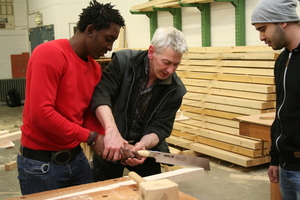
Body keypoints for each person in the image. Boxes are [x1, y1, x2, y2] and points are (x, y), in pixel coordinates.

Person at [17, 0, 125, 195]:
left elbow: (87, 115)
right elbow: (41, 114)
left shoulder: (94, 69)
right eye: (108, 39)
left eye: (113, 41)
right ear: (90, 30)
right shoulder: (50, 54)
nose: (110, 47)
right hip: (41, 165)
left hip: (76, 159)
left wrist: (108, 141)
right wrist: (92, 138)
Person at [90, 27, 188, 181]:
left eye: (176, 65)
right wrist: (112, 133)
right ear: (151, 52)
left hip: (143, 152)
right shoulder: (123, 62)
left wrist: (142, 145)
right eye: (166, 62)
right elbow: (102, 94)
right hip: (110, 144)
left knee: (152, 191)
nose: (170, 70)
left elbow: (160, 127)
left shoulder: (175, 89)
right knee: (103, 190)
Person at [252, 0, 300, 199]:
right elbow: (281, 113)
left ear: (283, 21)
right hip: (285, 165)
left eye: (263, 29)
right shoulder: (282, 60)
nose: (262, 37)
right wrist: (274, 158)